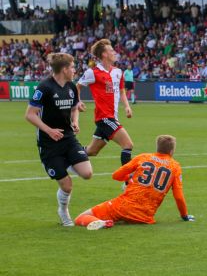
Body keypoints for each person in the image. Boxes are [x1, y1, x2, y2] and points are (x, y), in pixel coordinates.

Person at [25, 53, 92, 227]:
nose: (74, 70)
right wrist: (49, 131)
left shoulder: (70, 86)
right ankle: (63, 211)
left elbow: (75, 106)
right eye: (72, 67)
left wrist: (75, 120)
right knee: (67, 186)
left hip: (68, 138)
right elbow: (30, 115)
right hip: (49, 143)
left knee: (87, 173)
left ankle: (66, 162)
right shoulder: (44, 88)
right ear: (64, 69)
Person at [74, 135, 195, 230]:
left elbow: (116, 175)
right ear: (172, 151)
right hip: (145, 216)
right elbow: (178, 197)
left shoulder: (143, 157)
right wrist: (184, 216)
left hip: (123, 207)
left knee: (81, 218)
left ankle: (102, 222)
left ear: (157, 147)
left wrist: (130, 177)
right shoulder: (175, 167)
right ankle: (109, 221)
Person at [77, 39, 134, 167]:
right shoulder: (93, 72)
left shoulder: (118, 72)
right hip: (104, 118)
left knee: (92, 151)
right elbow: (78, 86)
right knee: (128, 145)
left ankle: (70, 152)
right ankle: (127, 182)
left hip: (112, 117)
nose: (115, 53)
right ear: (104, 54)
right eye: (111, 51)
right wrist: (78, 102)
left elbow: (122, 90)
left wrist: (127, 107)